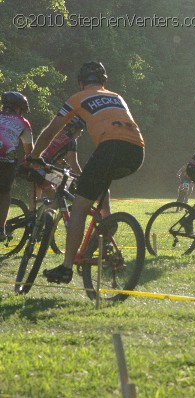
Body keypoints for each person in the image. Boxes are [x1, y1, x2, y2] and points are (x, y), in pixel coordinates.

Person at [28, 61, 145, 284]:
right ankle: (104, 232)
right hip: (137, 151)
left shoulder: (77, 98)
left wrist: (34, 156)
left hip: (111, 147)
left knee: (80, 206)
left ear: (81, 83)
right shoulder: (117, 96)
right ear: (104, 82)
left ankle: (66, 268)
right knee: (100, 189)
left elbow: (51, 132)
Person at [0, 91, 34, 240]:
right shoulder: (23, 122)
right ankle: (0, 229)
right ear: (19, 108)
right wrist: (29, 162)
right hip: (6, 160)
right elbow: (29, 150)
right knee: (4, 193)